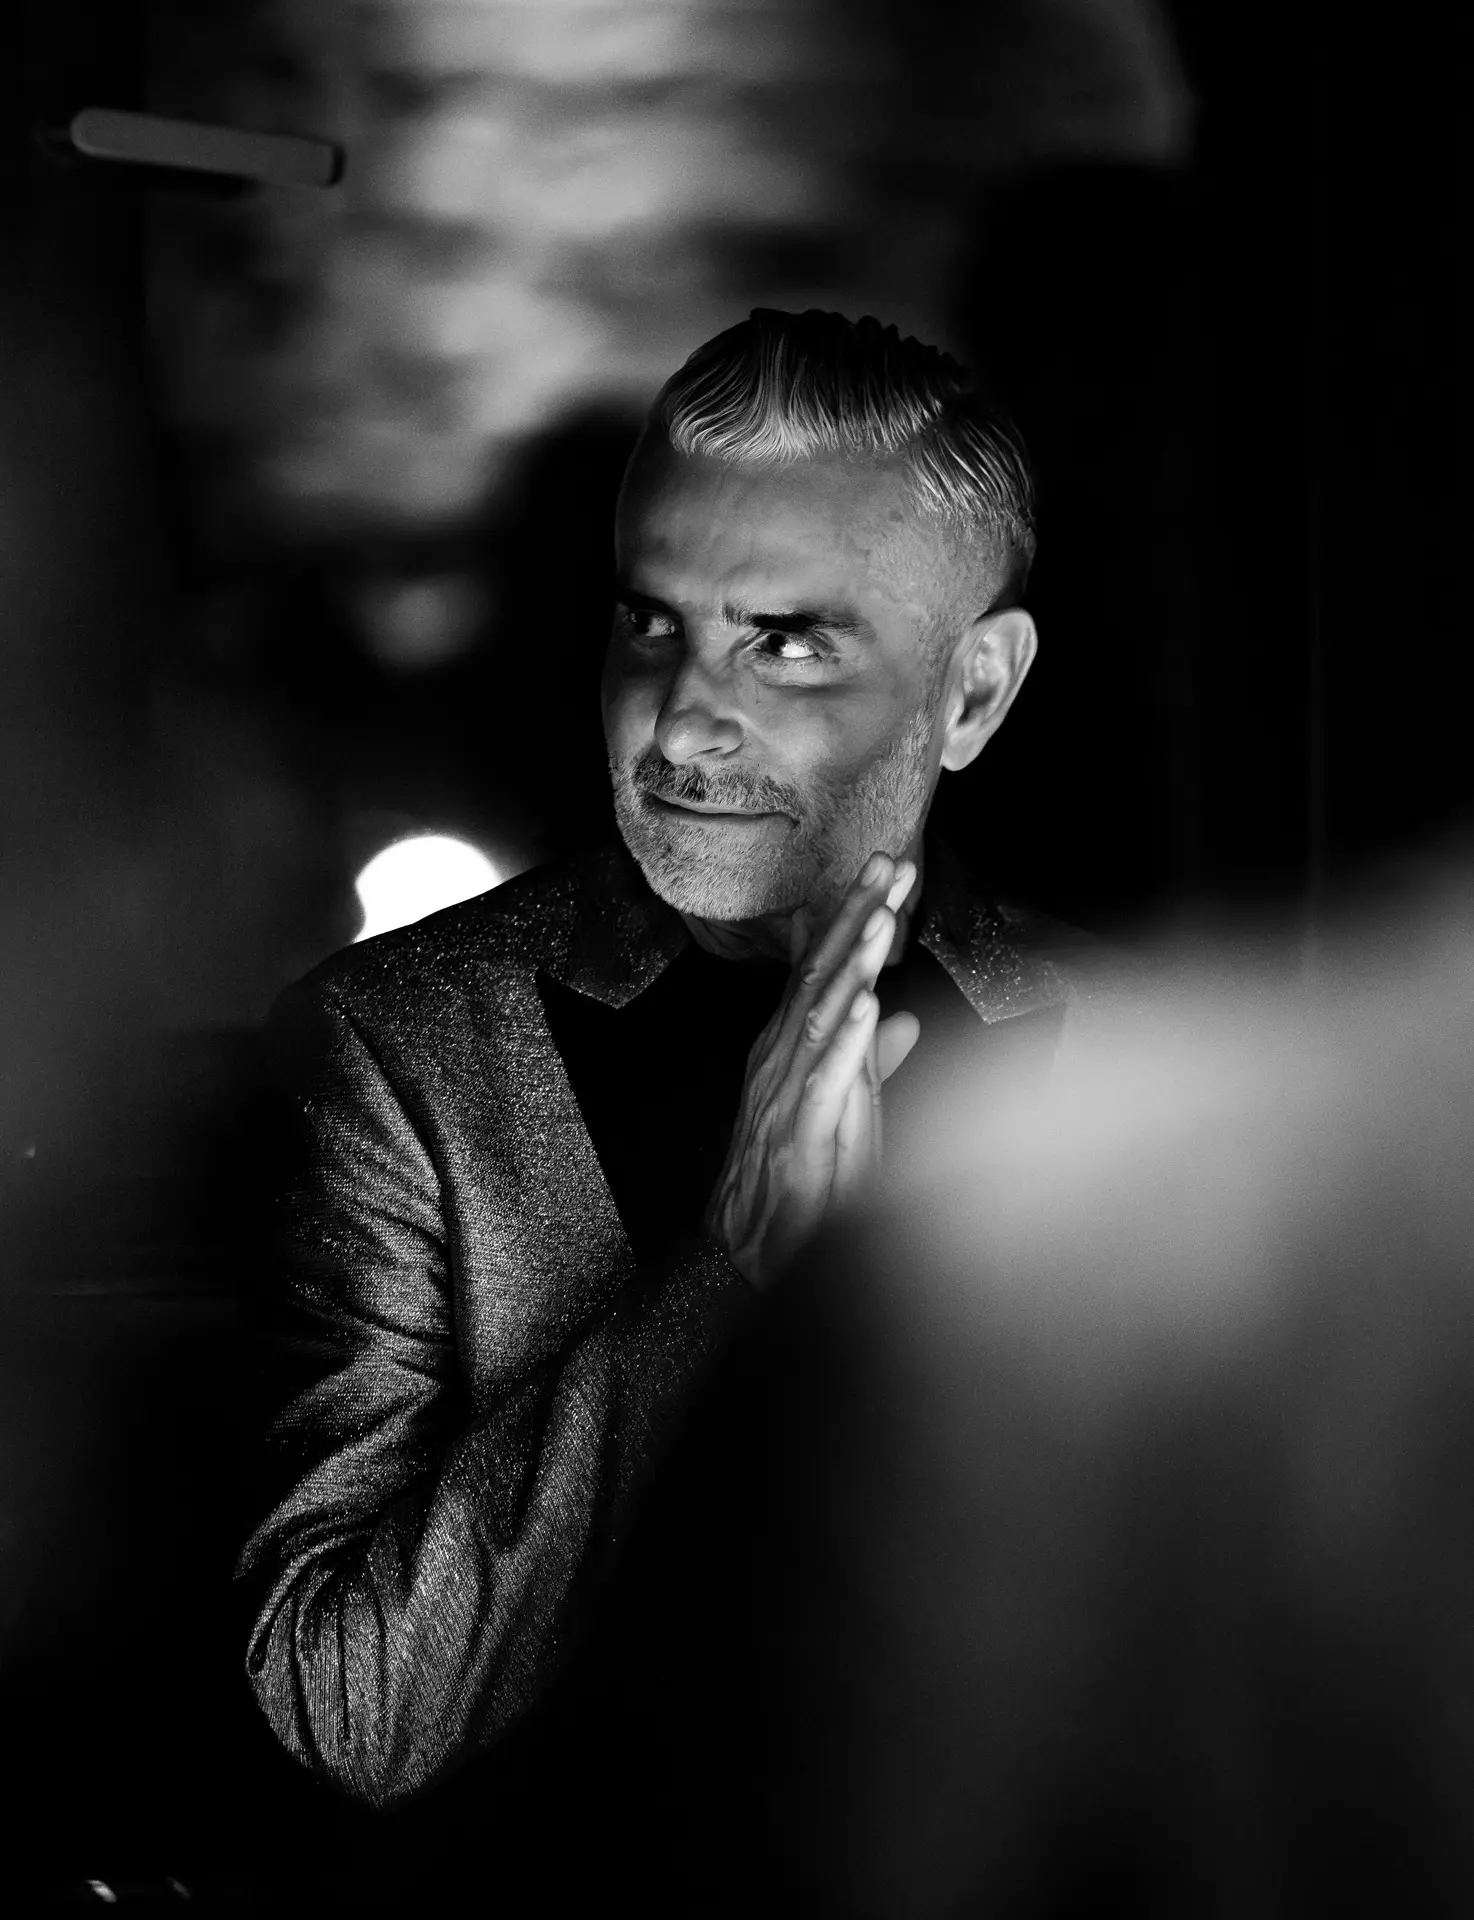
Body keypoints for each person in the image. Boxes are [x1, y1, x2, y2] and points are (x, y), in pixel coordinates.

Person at [236, 308, 1126, 1825]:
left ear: (973, 692)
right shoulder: (393, 1047)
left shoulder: (1140, 1052)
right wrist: (724, 1278)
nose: (684, 718)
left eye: (786, 641)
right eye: (653, 624)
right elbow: (350, 1706)